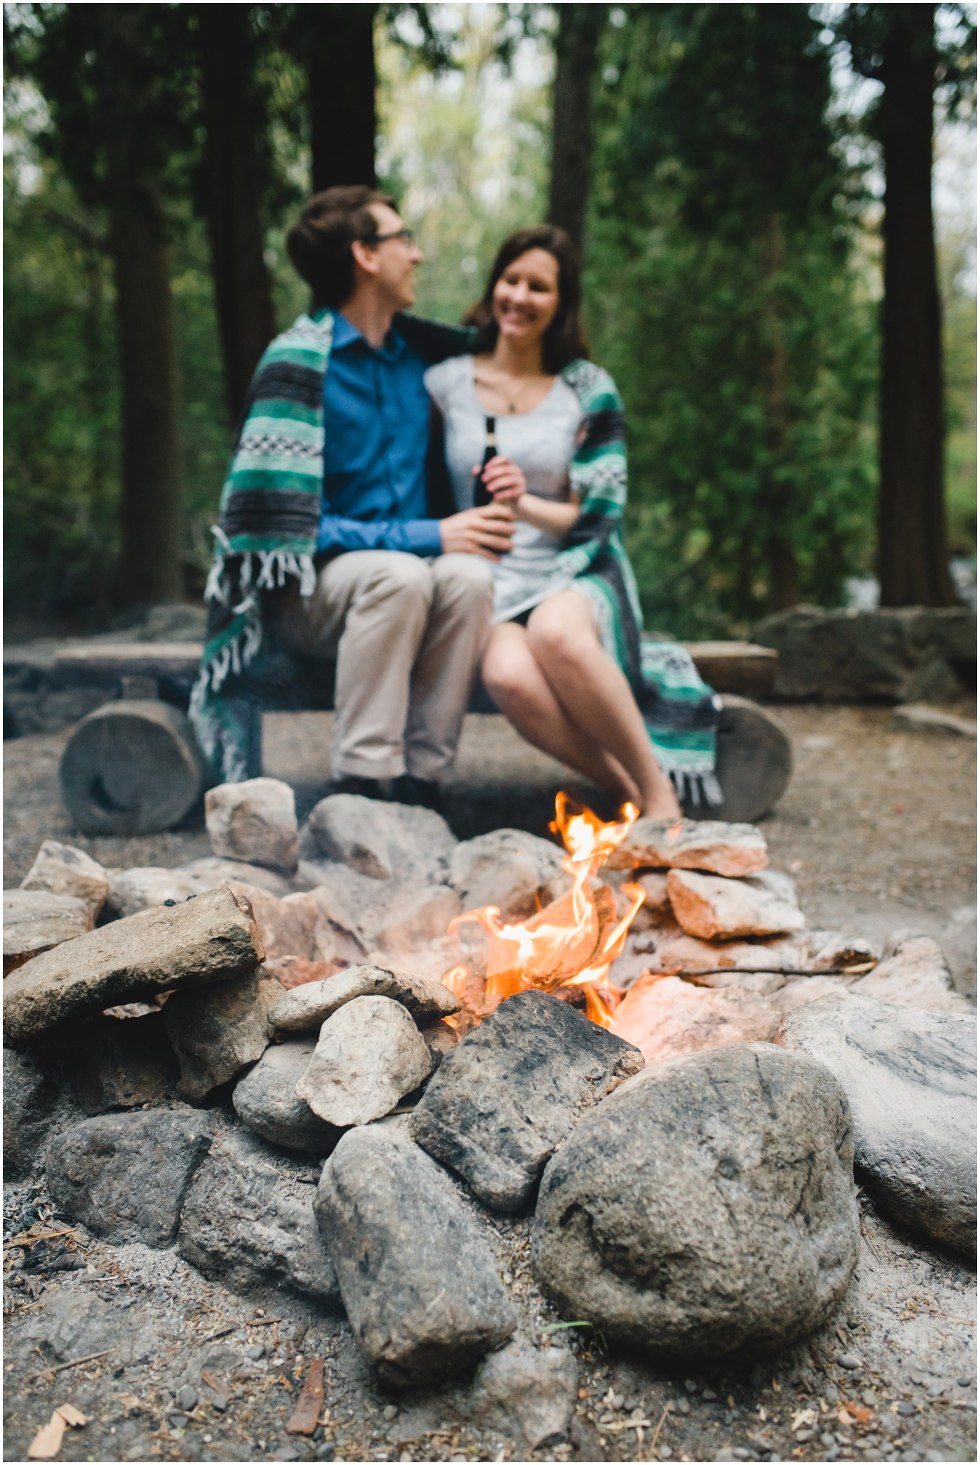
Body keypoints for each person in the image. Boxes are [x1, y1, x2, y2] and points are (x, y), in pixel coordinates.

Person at [190, 186, 515, 806]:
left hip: (410, 586)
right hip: (308, 600)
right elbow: (281, 534)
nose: (415, 256)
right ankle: (361, 784)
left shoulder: (420, 360)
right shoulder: (298, 363)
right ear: (365, 255)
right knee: (400, 575)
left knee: (470, 579)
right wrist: (429, 535)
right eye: (404, 240)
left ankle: (423, 782)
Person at [424, 226, 720, 819]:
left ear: (559, 303)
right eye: (512, 280)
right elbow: (421, 487)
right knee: (507, 675)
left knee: (556, 636)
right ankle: (633, 790)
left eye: (539, 287)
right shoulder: (445, 382)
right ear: (493, 286)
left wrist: (524, 500)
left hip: (571, 567)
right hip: (488, 580)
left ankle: (661, 796)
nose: (521, 297)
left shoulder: (586, 390)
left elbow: (598, 514)